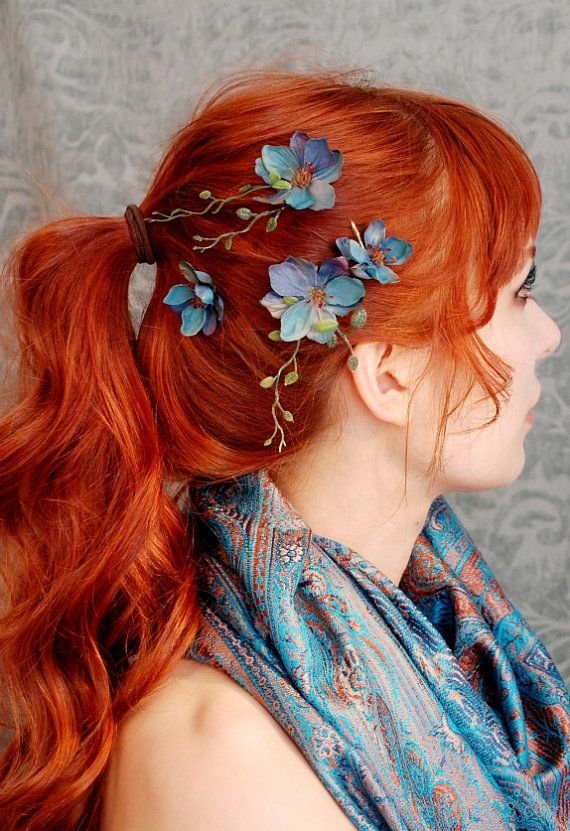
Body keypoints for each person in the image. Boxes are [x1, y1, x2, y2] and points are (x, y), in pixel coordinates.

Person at [0, 65, 567, 831]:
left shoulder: (444, 627)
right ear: (389, 374)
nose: (547, 334)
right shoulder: (224, 766)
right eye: (520, 291)